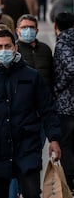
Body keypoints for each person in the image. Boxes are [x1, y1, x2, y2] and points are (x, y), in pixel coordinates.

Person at [0, 29, 61, 198]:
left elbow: (47, 109)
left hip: (27, 147)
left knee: (32, 193)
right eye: (0, 46)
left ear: (15, 47)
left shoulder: (32, 76)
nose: (4, 50)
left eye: (7, 46)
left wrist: (54, 138)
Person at [53, 12, 74, 193]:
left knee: (66, 145)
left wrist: (58, 87)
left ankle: (70, 184)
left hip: (67, 105)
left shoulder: (62, 43)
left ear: (56, 26)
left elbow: (70, 67)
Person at [16, 14, 54, 89]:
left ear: (37, 31)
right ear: (17, 30)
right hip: (24, 95)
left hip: (45, 94)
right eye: (24, 27)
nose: (28, 30)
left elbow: (52, 73)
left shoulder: (45, 49)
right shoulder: (14, 50)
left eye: (31, 27)